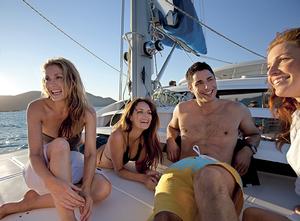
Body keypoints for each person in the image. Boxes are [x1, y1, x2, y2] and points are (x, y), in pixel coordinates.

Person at [0, 57, 111, 221]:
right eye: (47, 79)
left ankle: (30, 203)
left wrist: (86, 189)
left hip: (70, 166)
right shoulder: (36, 108)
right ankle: (67, 218)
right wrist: (51, 182)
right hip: (41, 171)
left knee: (102, 188)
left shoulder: (87, 112)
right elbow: (35, 154)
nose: (51, 84)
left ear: (71, 80)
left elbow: (90, 155)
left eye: (58, 77)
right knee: (60, 144)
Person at [149, 61, 261, 221]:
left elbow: (254, 134)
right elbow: (172, 128)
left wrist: (248, 150)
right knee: (163, 217)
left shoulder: (237, 110)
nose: (207, 87)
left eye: (210, 79)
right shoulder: (182, 109)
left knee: (207, 178)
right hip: (182, 169)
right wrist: (171, 140)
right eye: (199, 83)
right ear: (190, 88)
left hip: (217, 170)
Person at [242, 28, 300, 221]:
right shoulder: (297, 115)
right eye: (268, 66)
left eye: (283, 59)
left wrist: (247, 149)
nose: (272, 71)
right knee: (249, 214)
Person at [96, 98, 163, 191]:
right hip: (95, 152)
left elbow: (140, 166)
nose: (146, 116)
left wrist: (148, 172)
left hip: (108, 145)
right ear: (130, 116)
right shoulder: (118, 136)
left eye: (149, 112)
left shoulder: (143, 138)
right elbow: (119, 170)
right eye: (140, 112)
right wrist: (144, 179)